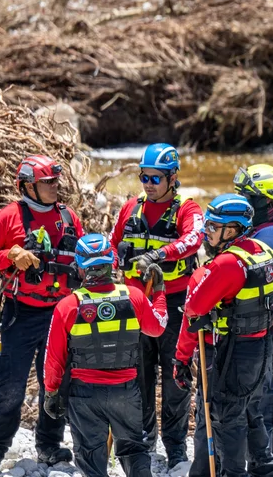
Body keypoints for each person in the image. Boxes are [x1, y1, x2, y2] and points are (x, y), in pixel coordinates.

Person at [0, 155, 85, 475]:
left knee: (55, 384)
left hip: (60, 313)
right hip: (19, 314)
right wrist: (9, 254)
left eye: (55, 181)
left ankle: (49, 446)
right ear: (27, 186)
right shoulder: (7, 217)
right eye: (47, 182)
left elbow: (85, 257)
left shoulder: (68, 217)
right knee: (9, 385)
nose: (54, 187)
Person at [173, 194, 273, 477]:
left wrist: (181, 359)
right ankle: (267, 471)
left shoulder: (226, 265)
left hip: (234, 354)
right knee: (253, 413)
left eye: (214, 227)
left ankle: (233, 472)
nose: (207, 233)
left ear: (233, 229)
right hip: (262, 351)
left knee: (228, 417)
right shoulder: (264, 254)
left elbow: (193, 308)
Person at [109, 143, 205, 468]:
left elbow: (195, 238)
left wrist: (161, 254)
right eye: (144, 177)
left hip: (176, 301)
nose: (148, 184)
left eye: (156, 178)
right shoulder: (130, 209)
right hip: (138, 301)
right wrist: (112, 265)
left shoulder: (186, 210)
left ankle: (175, 444)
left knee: (176, 373)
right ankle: (145, 438)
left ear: (172, 177)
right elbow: (111, 245)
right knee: (139, 372)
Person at [42, 233, 168, 477]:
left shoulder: (68, 306)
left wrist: (51, 391)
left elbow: (54, 357)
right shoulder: (134, 296)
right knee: (134, 449)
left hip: (85, 393)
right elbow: (158, 326)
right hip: (126, 390)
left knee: (90, 455)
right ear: (111, 261)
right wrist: (159, 293)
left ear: (79, 265)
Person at [232, 164, 273, 477]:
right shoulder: (264, 228)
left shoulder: (272, 236)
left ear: (266, 202)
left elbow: (247, 270)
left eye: (247, 196)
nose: (242, 201)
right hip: (270, 329)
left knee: (268, 406)